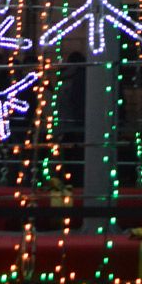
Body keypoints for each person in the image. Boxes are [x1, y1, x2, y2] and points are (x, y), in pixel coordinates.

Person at [55, 51, 86, 186]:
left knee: (66, 159)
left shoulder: (64, 78)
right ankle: (76, 183)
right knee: (78, 158)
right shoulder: (82, 77)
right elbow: (78, 102)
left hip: (64, 124)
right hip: (77, 124)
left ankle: (65, 183)